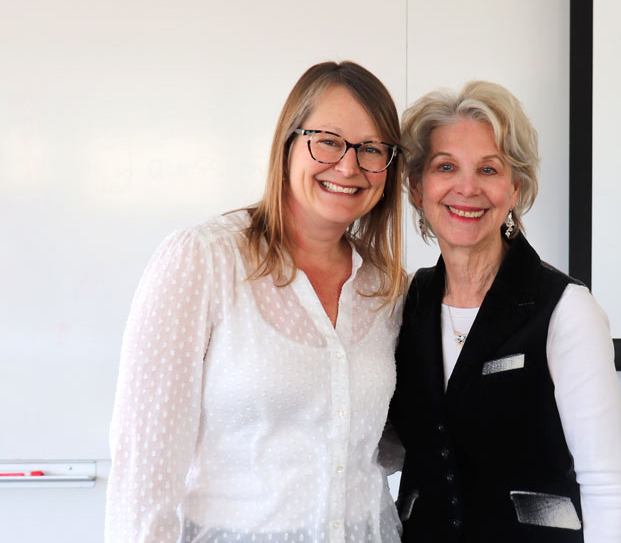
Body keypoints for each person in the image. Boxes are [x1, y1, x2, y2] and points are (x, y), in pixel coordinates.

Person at [106, 61, 406, 543]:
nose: (349, 166)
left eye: (372, 149)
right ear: (287, 143)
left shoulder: (387, 288)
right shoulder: (202, 260)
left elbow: (385, 445)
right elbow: (146, 463)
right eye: (327, 140)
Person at [388, 81, 621, 542]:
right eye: (446, 167)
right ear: (417, 187)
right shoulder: (406, 303)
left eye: (488, 169)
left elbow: (606, 486)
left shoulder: (566, 310)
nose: (467, 188)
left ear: (514, 188)